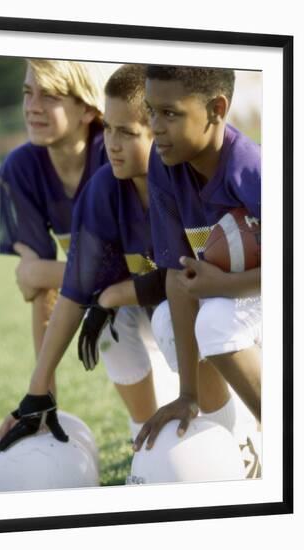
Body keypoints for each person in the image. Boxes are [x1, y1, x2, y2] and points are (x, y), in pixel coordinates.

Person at [0, 64, 239, 454]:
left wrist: (110, 295)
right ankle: (145, 438)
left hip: (230, 305)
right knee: (109, 324)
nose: (111, 143)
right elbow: (74, 289)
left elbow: (182, 277)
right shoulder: (103, 188)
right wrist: (37, 393)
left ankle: (233, 439)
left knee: (172, 320)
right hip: (158, 305)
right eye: (109, 129)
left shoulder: (187, 177)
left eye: (126, 132)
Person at [133, 65, 261, 471]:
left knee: (215, 322)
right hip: (236, 291)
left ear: (216, 108)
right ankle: (236, 447)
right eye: (151, 111)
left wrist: (229, 283)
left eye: (169, 114)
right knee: (169, 322)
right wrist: (187, 393)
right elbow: (176, 275)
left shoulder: (251, 169)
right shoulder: (165, 163)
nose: (156, 126)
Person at [0, 59, 109, 402]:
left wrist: (45, 272)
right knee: (107, 326)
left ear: (88, 109)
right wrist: (43, 394)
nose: (32, 108)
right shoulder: (21, 168)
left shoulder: (115, 153)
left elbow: (143, 271)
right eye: (28, 93)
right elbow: (38, 289)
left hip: (159, 293)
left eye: (50, 96)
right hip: (109, 299)